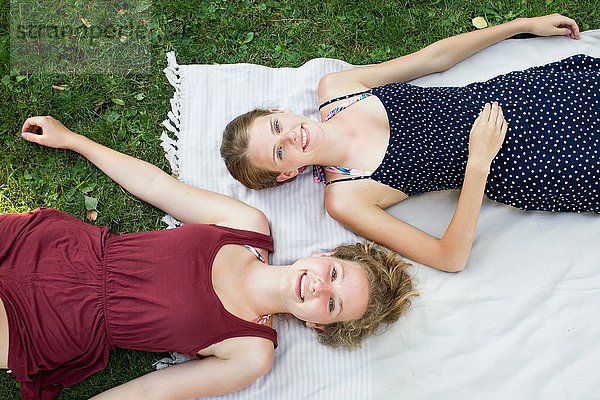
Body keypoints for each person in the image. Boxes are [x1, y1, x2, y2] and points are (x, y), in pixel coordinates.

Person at [0, 116, 416, 400]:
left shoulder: (252, 353)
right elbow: (154, 185)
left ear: (317, 324)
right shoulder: (247, 224)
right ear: (326, 255)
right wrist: (73, 139)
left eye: (332, 304)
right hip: (59, 248)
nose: (320, 286)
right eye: (336, 274)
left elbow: (151, 392)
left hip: (56, 325)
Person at [221, 13, 599, 273]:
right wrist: (479, 162)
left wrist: (521, 26)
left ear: (278, 110)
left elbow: (435, 58)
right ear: (287, 173)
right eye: (279, 151)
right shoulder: (346, 199)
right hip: (527, 164)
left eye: (275, 126)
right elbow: (449, 257)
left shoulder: (337, 89)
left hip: (517, 98)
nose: (290, 136)